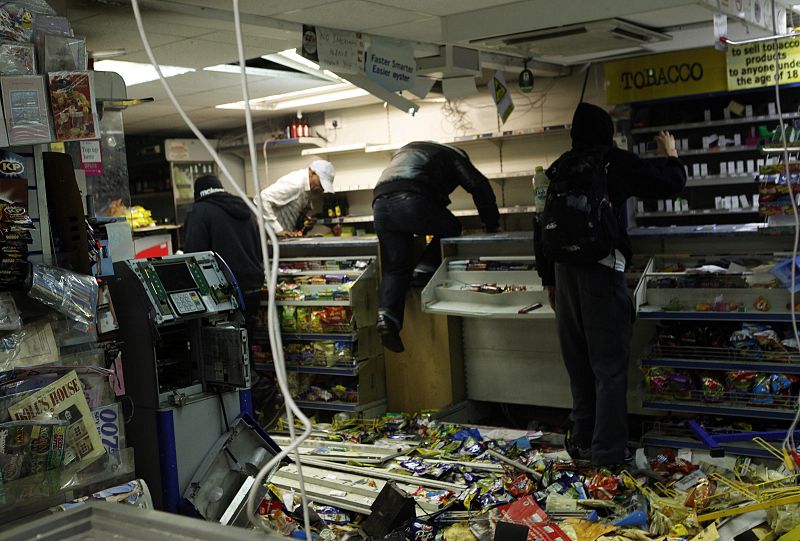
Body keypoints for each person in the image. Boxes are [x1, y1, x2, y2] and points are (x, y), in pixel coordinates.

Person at [533, 102, 686, 468]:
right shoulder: (611, 161)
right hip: (601, 272)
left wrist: (548, 279)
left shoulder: (560, 168)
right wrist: (672, 155)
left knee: (580, 368)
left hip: (563, 276)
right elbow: (670, 184)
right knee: (610, 370)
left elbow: (540, 225)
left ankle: (583, 443)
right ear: (607, 133)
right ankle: (609, 455)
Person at [373, 141, 501, 353]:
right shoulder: (453, 156)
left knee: (396, 265)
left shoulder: (410, 149)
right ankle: (425, 269)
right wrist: (491, 223)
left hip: (380, 205)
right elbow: (478, 184)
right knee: (451, 226)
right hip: (411, 199)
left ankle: (387, 318)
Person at [183, 174, 264, 342]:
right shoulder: (245, 207)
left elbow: (194, 254)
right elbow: (259, 249)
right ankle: (251, 369)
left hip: (225, 291)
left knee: (227, 351)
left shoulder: (200, 210)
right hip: (253, 286)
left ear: (198, 194)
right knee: (247, 343)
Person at [257, 159, 335, 238]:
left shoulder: (307, 189)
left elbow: (291, 212)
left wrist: (304, 223)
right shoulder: (295, 183)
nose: (322, 189)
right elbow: (262, 199)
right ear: (312, 173)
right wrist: (278, 230)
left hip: (282, 239)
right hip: (267, 239)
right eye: (321, 183)